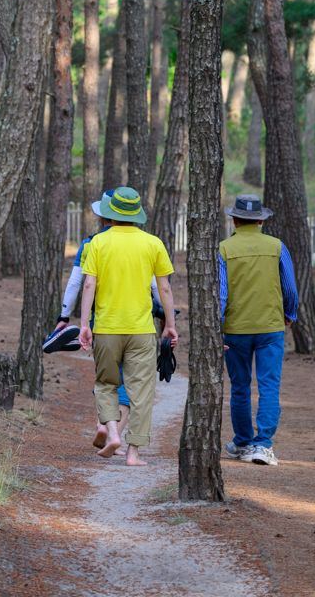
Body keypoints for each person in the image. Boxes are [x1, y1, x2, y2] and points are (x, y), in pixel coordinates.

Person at [79, 186, 178, 466]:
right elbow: (165, 288)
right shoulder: (153, 243)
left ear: (111, 212)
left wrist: (85, 323)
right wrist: (170, 324)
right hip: (142, 328)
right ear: (136, 214)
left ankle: (112, 433)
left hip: (107, 328)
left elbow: (89, 284)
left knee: (106, 384)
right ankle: (133, 454)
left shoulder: (97, 243)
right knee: (142, 391)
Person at [50, 219, 164, 450]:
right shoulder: (146, 242)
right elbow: (155, 285)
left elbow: (77, 283)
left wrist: (65, 316)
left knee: (106, 378)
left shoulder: (92, 243)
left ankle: (104, 425)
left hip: (102, 322)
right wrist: (166, 315)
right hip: (138, 324)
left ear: (106, 216)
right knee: (130, 380)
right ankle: (116, 434)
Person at [219, 194, 298, 467]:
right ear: (261, 220)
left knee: (239, 386)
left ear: (234, 219)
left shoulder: (224, 249)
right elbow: (289, 286)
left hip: (235, 329)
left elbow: (221, 293)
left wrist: (218, 325)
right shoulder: (277, 247)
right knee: (268, 386)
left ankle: (242, 441)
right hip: (270, 327)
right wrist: (290, 313)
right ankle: (263, 445)